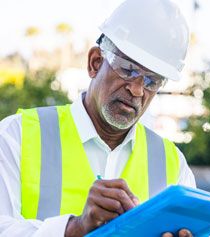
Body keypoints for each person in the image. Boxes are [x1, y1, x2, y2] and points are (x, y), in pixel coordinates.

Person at [0, 0, 196, 236]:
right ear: (95, 63)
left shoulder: (172, 164)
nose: (137, 90)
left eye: (152, 81)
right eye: (128, 69)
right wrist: (74, 228)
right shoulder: (17, 136)